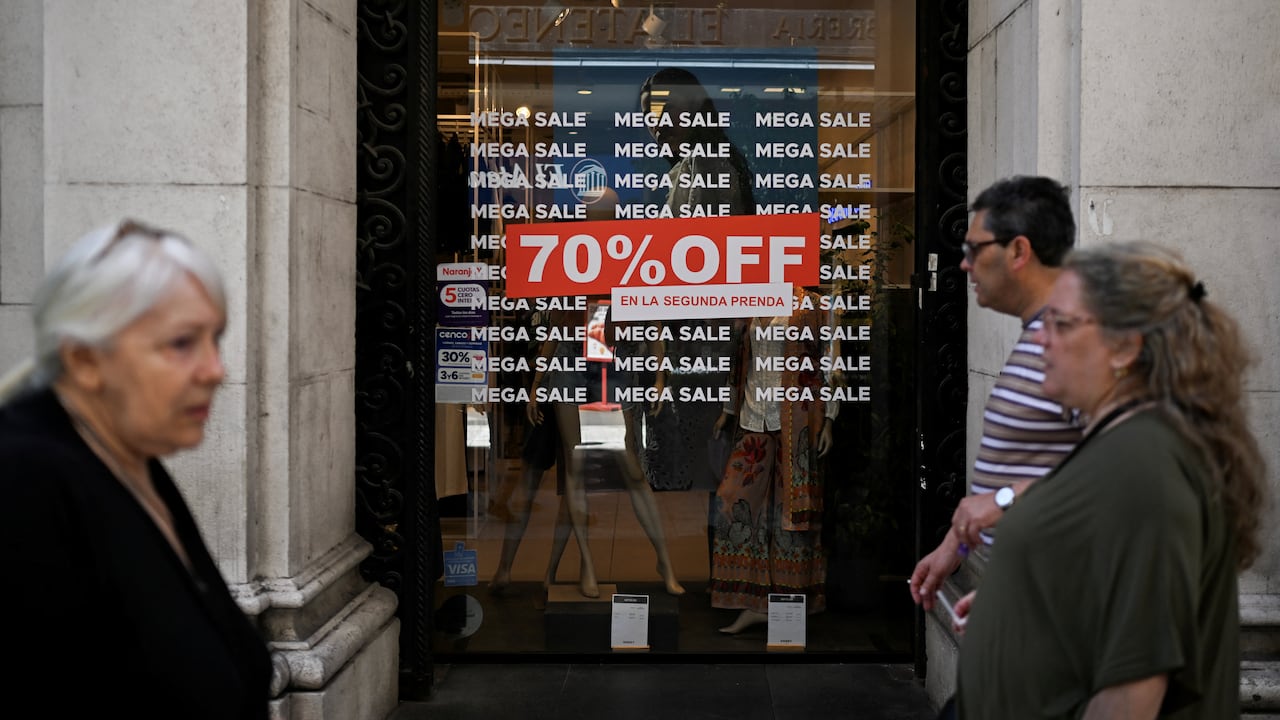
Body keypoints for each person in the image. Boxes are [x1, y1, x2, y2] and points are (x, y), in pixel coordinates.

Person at [952, 241, 1266, 718]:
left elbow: (1131, 694)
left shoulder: (1143, 464)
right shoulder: (1123, 441)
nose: (1041, 340)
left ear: (1124, 346)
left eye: (1061, 324)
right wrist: (1023, 602)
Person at [0, 219, 272, 718]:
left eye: (215, 338)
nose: (216, 370)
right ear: (84, 360)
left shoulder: (128, 456)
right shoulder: (24, 482)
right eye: (182, 343)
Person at [908, 175, 1081, 611]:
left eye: (974, 249)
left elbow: (1132, 473)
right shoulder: (1045, 334)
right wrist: (958, 543)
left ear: (1019, 251)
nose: (964, 265)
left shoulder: (1081, 342)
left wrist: (1002, 500)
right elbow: (1037, 462)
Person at [708, 286, 837, 634]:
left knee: (790, 513)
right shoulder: (751, 299)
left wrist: (829, 419)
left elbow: (831, 362)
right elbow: (740, 361)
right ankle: (752, 601)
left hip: (797, 421)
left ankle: (787, 606)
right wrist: (727, 410)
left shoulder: (813, 304)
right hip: (753, 417)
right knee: (734, 503)